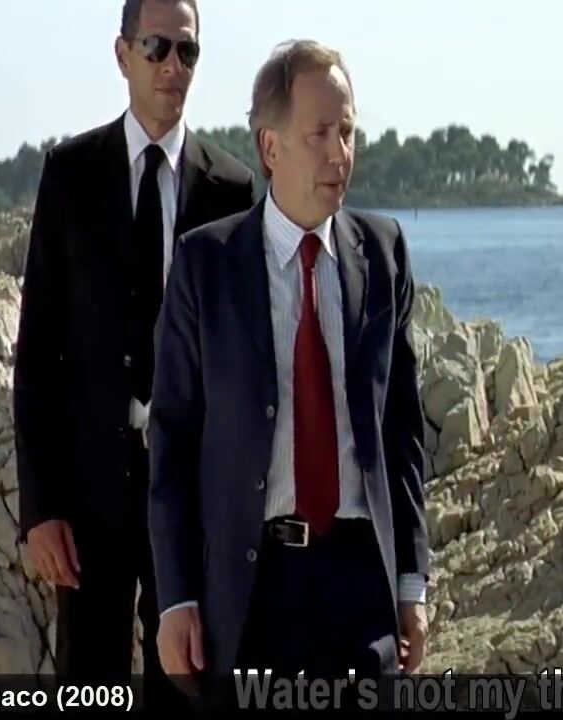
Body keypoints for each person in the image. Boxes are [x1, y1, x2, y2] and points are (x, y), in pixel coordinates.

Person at [147, 39, 430, 698]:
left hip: (362, 590)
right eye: (319, 134)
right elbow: (173, 441)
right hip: (253, 593)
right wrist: (175, 598)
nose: (340, 154)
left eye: (348, 132)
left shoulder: (383, 253)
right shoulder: (205, 266)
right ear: (270, 147)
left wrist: (412, 583)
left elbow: (403, 433)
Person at [12, 0, 257, 708]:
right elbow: (39, 353)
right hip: (90, 493)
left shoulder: (232, 188)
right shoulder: (70, 173)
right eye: (157, 48)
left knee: (186, 684)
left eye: (188, 51)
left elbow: (242, 363)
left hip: (190, 493)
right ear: (123, 56)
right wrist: (41, 508)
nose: (173, 66)